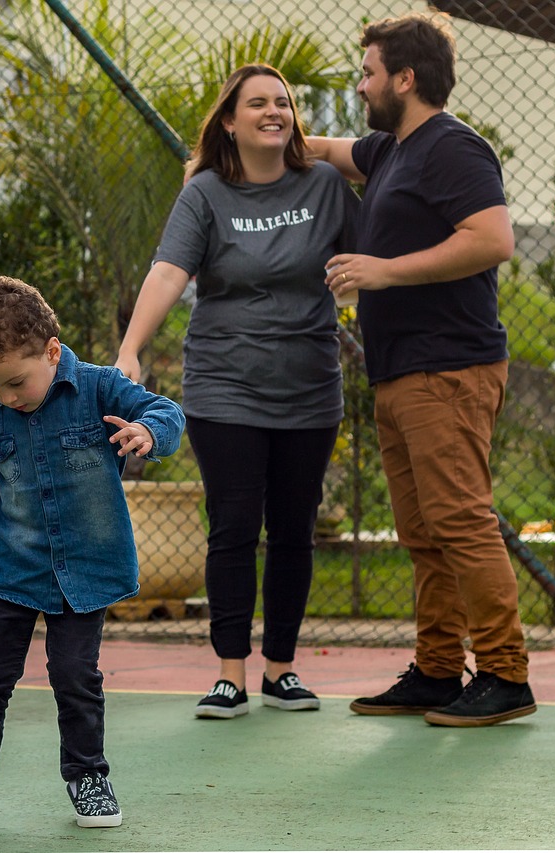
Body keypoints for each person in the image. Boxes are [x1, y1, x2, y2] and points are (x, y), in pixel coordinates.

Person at [307, 12, 536, 727]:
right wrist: (242, 132)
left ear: (405, 79)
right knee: (422, 529)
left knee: (459, 520)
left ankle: (505, 672)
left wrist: (383, 271)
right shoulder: (390, 150)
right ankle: (439, 669)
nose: (360, 83)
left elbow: (492, 239)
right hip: (401, 371)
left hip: (450, 367)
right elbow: (322, 148)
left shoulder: (453, 148)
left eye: (369, 72)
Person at [115, 64, 358, 720]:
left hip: (310, 387)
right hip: (224, 388)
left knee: (293, 531)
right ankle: (230, 674)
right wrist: (132, 348)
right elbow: (169, 271)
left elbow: (371, 251)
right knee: (232, 526)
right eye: (258, 103)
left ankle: (281, 669)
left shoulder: (327, 185)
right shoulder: (206, 194)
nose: (274, 111)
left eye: (282, 102)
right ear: (230, 119)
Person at [0, 276, 184, 830]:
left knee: (74, 674)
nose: (6, 398)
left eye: (15, 382)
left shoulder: (99, 388)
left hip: (85, 568)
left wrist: (146, 431)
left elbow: (167, 411)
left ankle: (87, 775)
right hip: (9, 566)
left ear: (51, 351)